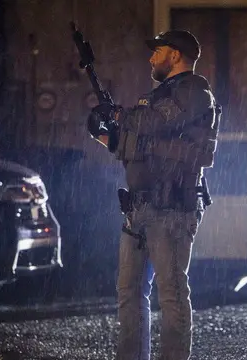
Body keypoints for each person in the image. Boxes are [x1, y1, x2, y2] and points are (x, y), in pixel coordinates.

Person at [86, 30, 220, 360]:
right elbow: (137, 145)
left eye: (157, 51)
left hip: (172, 209)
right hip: (139, 208)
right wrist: (105, 135)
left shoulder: (195, 92)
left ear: (175, 56)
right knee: (129, 294)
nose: (151, 58)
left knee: (171, 293)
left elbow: (154, 124)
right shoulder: (160, 96)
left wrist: (118, 114)